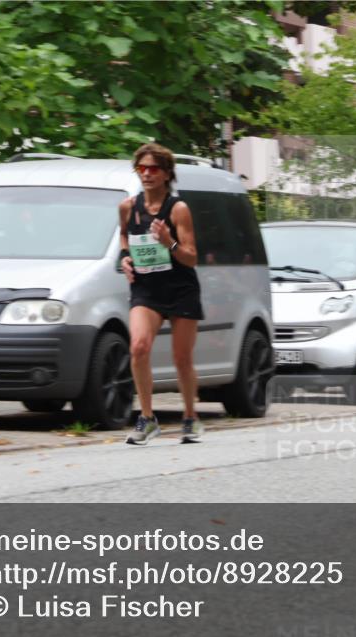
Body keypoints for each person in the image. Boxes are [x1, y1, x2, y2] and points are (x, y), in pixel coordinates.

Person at [119, 143, 205, 444]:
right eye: (140, 168)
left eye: (153, 168)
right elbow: (124, 237)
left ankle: (190, 417)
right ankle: (147, 418)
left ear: (167, 173)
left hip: (180, 288)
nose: (146, 173)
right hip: (146, 288)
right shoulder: (128, 207)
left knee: (181, 357)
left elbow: (192, 256)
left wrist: (168, 242)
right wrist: (124, 259)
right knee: (139, 347)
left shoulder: (178, 209)